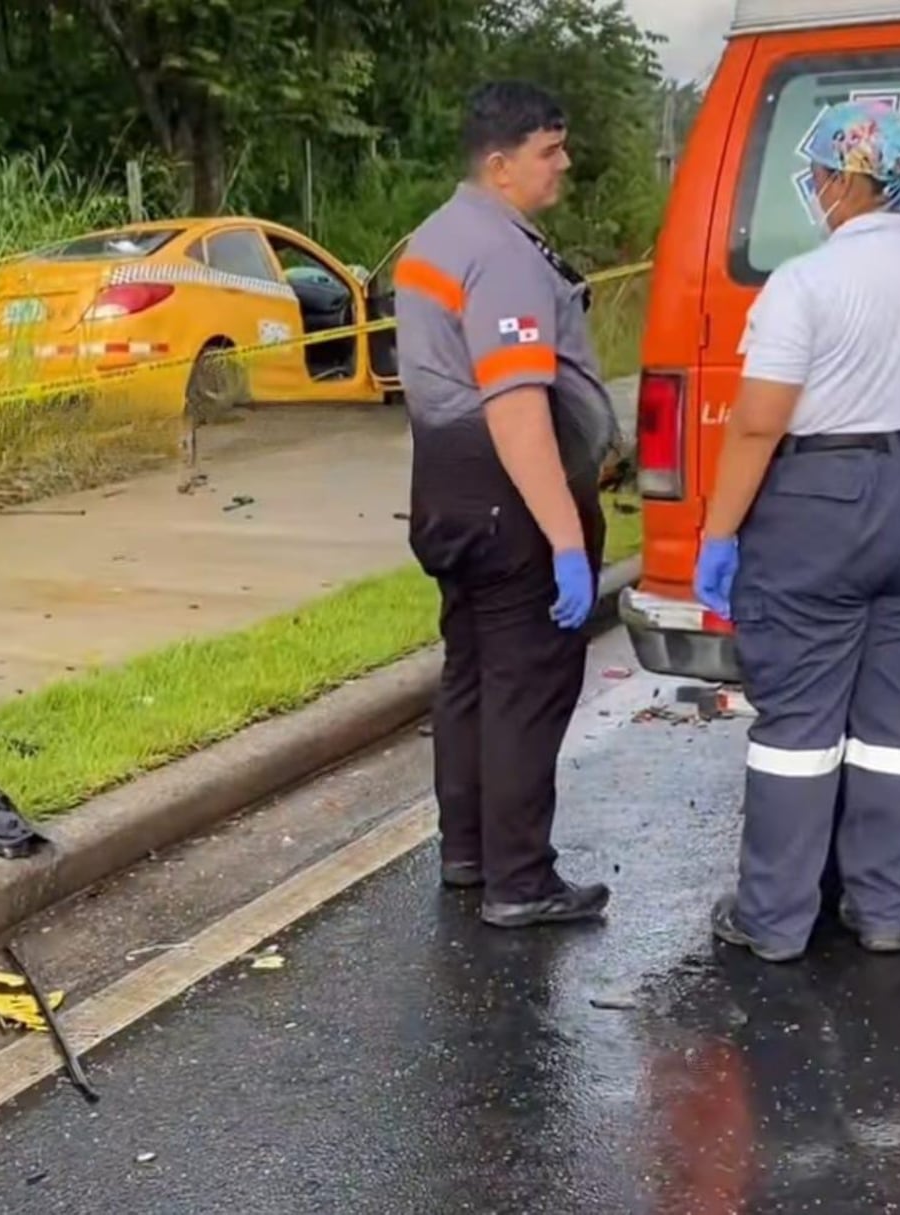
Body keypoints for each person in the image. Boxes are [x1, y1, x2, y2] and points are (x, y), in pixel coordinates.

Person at [694, 101, 900, 962]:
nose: (818, 187)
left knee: (799, 727)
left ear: (843, 181)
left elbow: (758, 424)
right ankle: (885, 912)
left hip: (819, 502)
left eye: (822, 173)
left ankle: (776, 922)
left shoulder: (805, 283)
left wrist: (721, 535)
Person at [393, 81, 620, 928]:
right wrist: (565, 535)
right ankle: (521, 881)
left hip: (444, 490)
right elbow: (519, 408)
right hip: (510, 496)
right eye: (548, 151)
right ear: (499, 165)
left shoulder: (434, 238)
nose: (563, 164)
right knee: (526, 684)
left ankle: (469, 853)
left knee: (472, 676)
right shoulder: (504, 255)